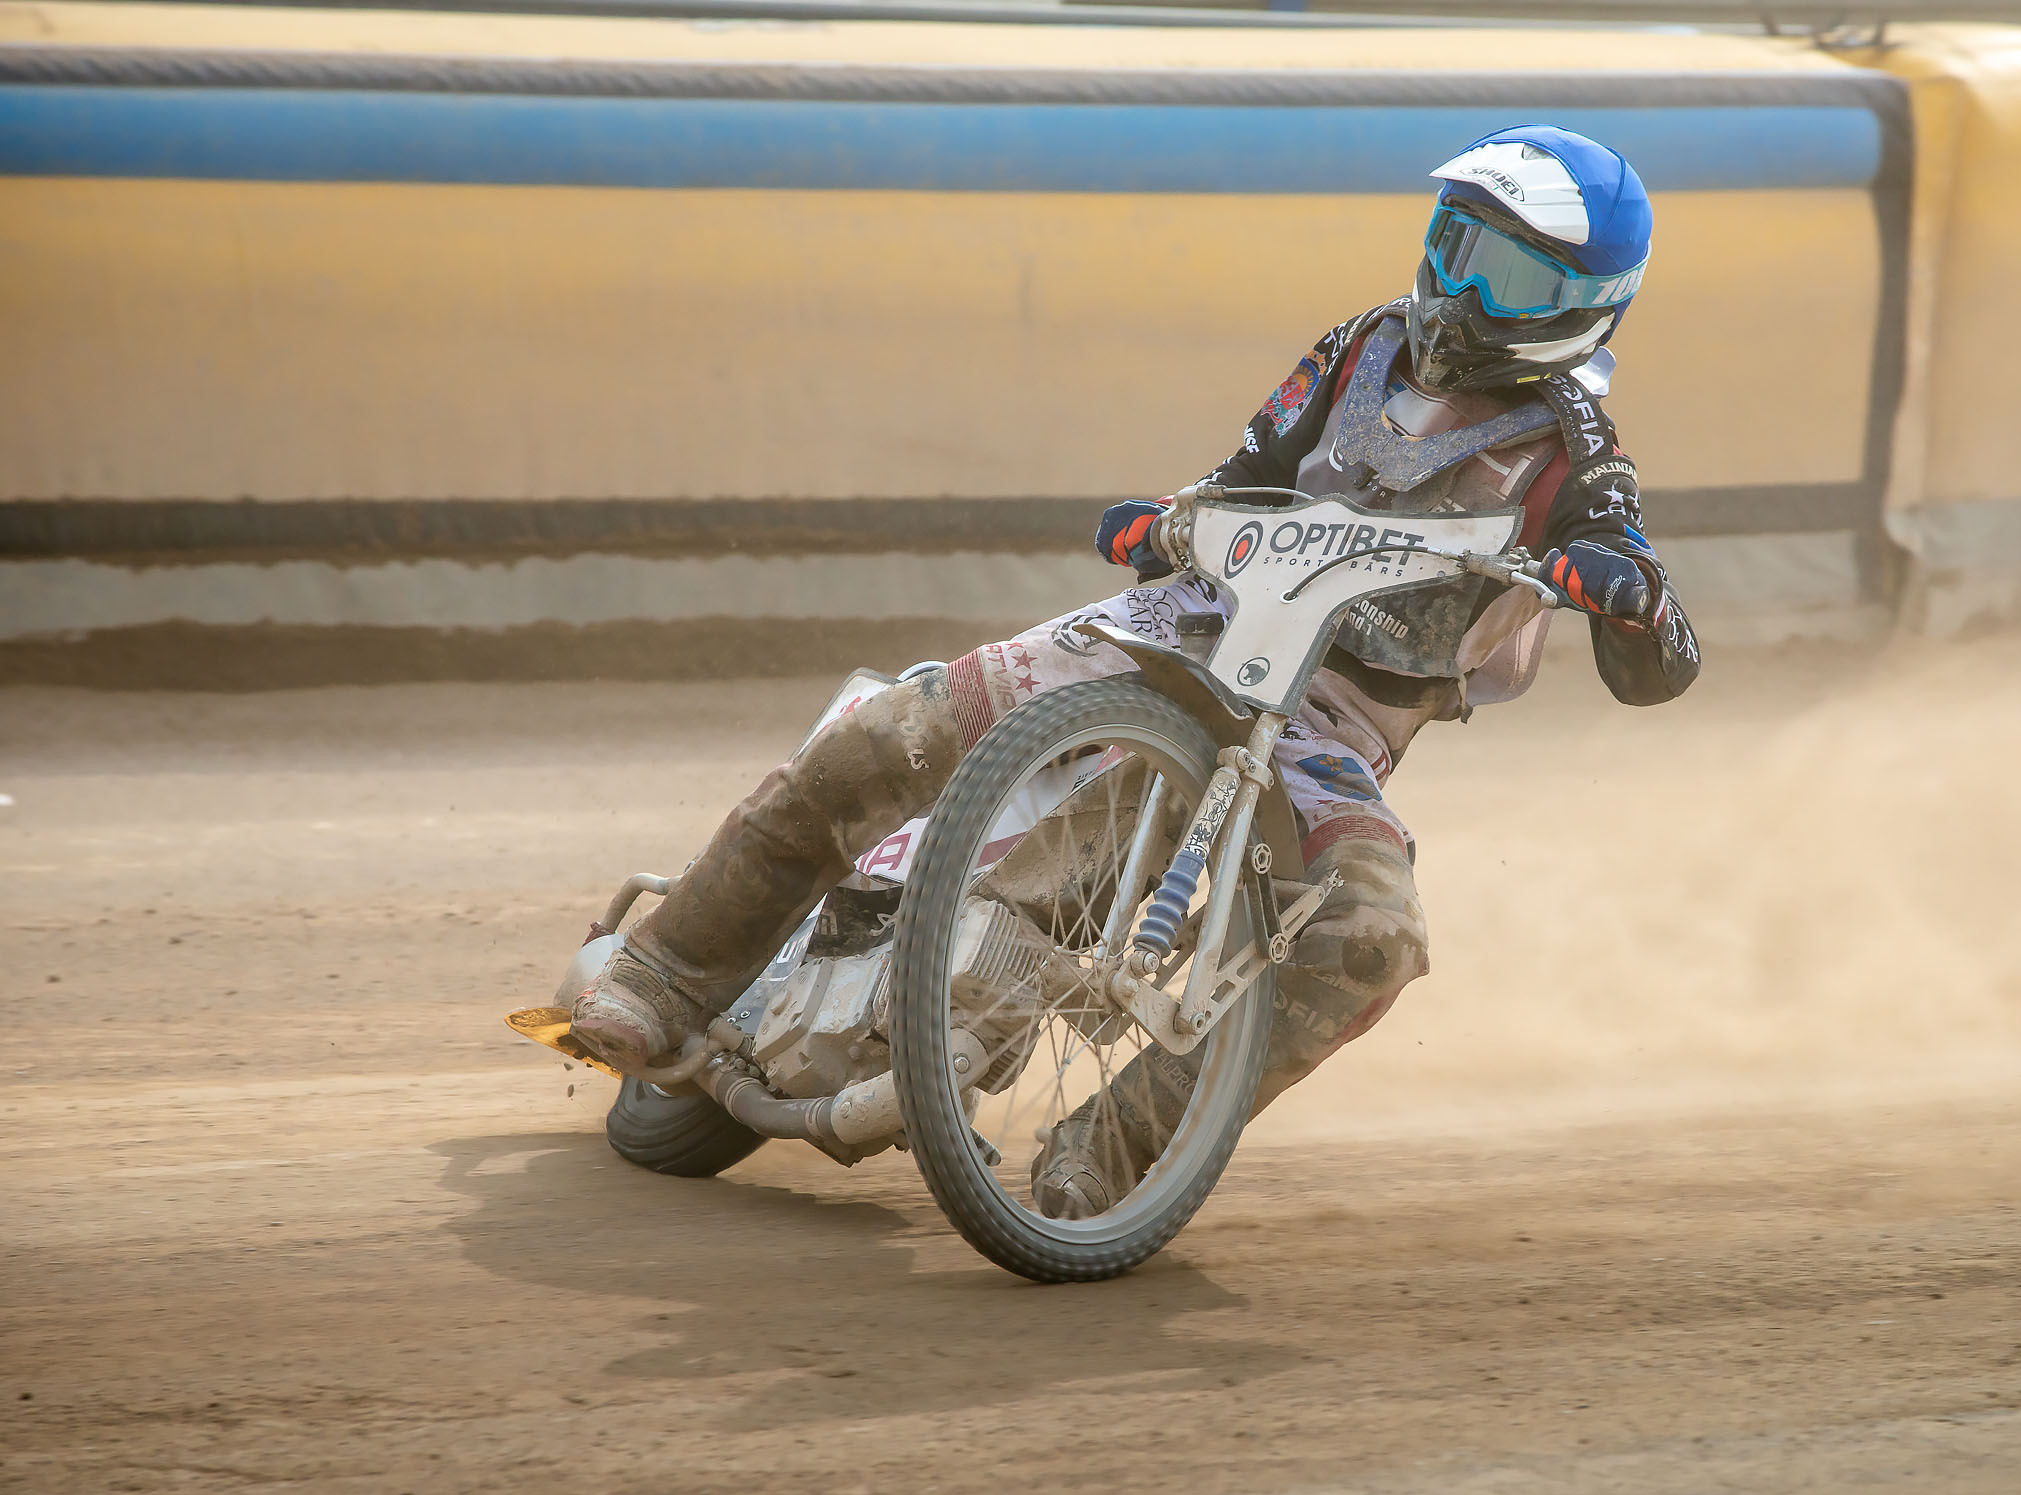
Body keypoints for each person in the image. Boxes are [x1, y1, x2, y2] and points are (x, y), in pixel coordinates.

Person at [569, 124, 1700, 1215]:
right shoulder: (1363, 343)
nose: (1461, 288)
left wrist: (1627, 593)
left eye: (1504, 272)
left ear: (1579, 306)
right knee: (896, 735)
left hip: (1323, 723)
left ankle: (1114, 1152)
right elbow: (1247, 465)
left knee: (1372, 937)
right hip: (1183, 617)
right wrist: (1168, 518)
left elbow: (1659, 662)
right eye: (1456, 242)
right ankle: (666, 971)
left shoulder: (1574, 451)